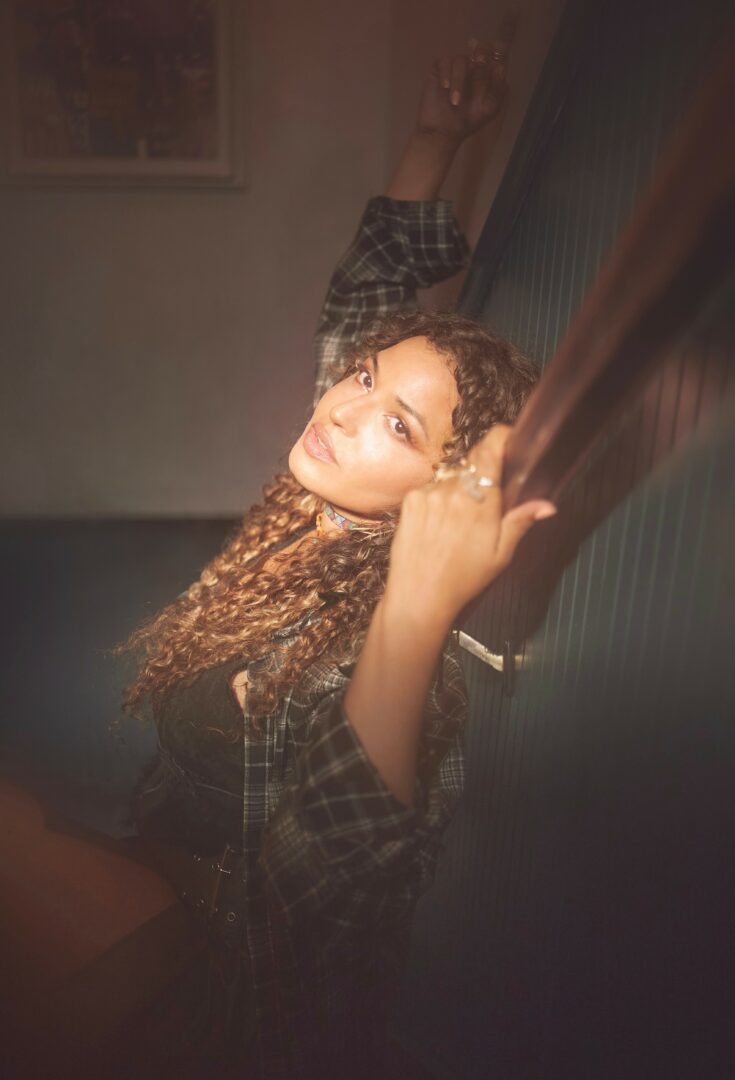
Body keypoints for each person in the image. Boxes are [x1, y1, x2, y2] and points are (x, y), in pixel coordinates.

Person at [109, 19, 556, 1080]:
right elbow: (365, 300)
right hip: (148, 867)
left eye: (398, 424)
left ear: (434, 493)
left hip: (205, 973)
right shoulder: (340, 498)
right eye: (361, 378)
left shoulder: (365, 652)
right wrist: (435, 138)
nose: (345, 410)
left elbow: (324, 895)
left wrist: (414, 611)